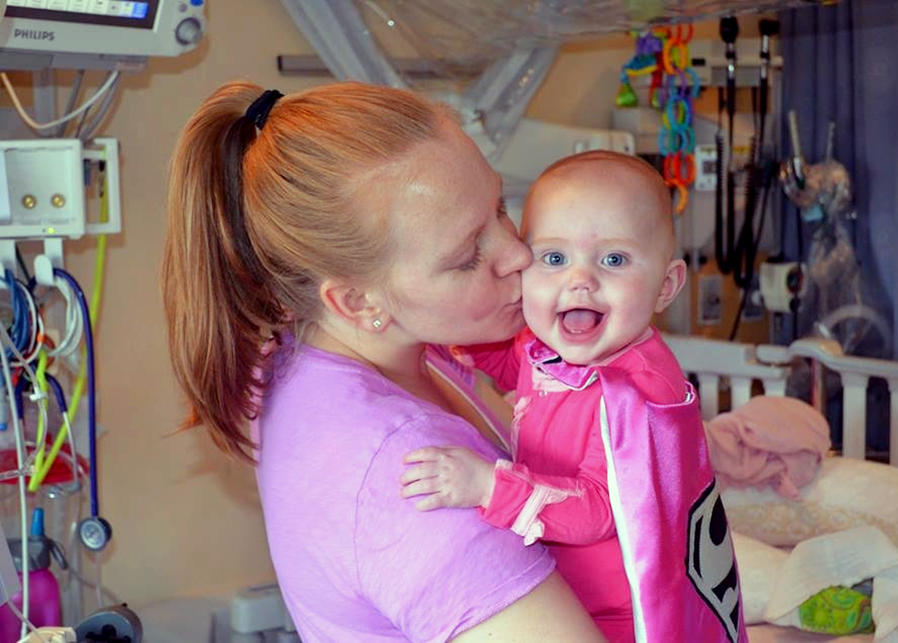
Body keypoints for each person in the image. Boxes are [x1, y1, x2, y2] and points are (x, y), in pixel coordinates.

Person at [161, 81, 606, 643]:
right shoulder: (410, 477)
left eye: (498, 206)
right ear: (357, 302)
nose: (518, 254)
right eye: (468, 256)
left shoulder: (347, 351)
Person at [401, 151, 746, 643]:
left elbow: (600, 508)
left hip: (622, 610)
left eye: (613, 259)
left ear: (665, 286)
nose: (580, 279)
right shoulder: (546, 345)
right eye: (555, 258)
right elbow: (515, 365)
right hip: (565, 589)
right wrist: (442, 336)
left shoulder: (638, 395)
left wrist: (490, 488)